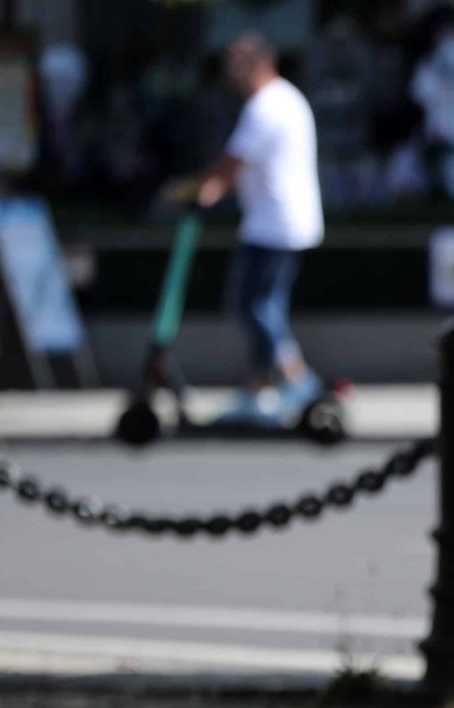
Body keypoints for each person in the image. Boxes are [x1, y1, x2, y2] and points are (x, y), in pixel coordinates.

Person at [181, 33, 324, 425]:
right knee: (262, 304)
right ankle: (258, 389)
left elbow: (232, 163)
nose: (232, 74)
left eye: (238, 65)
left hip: (275, 222)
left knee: (255, 306)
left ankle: (300, 381)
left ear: (260, 63)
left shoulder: (268, 105)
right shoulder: (284, 99)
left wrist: (195, 189)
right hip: (279, 219)